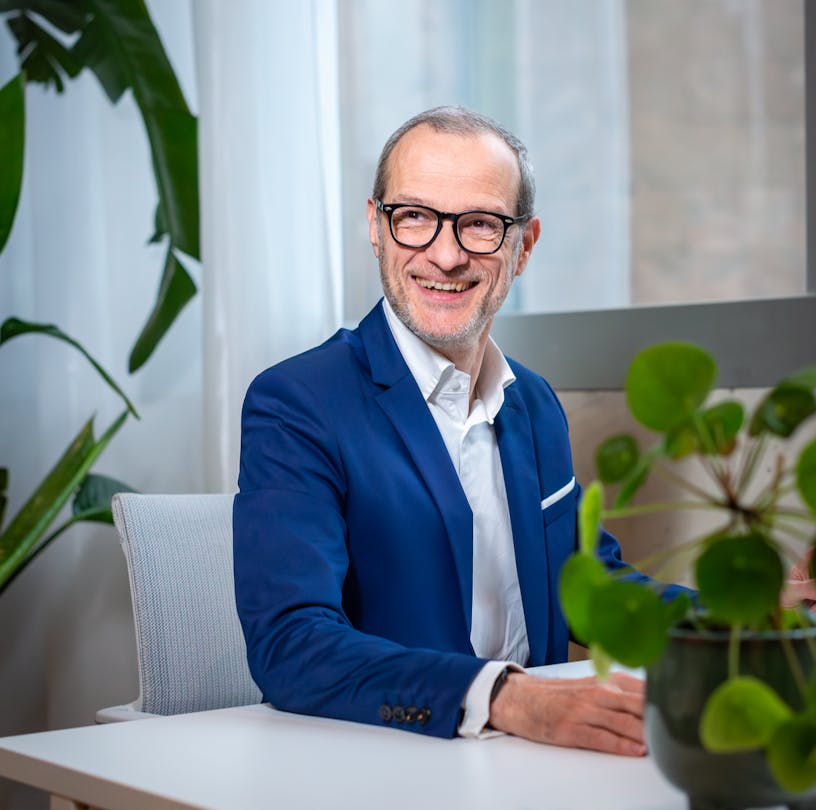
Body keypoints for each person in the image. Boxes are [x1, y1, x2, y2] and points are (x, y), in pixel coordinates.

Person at [233, 106, 688, 757]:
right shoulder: (297, 404)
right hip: (389, 763)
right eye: (414, 217)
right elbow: (292, 645)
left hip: (538, 767)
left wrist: (753, 618)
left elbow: (588, 586)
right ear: (376, 227)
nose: (444, 255)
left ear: (522, 246)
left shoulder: (532, 402)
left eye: (479, 224)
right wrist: (505, 696)